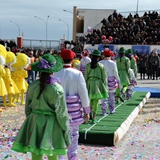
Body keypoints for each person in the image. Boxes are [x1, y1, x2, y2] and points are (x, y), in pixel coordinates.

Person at [11, 53, 71, 160]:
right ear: (53, 71)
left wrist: (32, 119)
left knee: (36, 153)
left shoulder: (32, 86)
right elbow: (62, 114)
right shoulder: (57, 89)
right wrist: (66, 133)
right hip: (52, 124)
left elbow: (28, 109)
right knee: (52, 155)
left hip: (35, 120)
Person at [53, 49, 90, 160]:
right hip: (73, 111)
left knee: (58, 135)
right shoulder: (77, 73)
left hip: (57, 110)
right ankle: (72, 157)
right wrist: (87, 111)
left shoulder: (54, 72)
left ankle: (60, 157)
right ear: (73, 59)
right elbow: (83, 93)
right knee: (74, 135)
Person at [85, 50, 108, 123]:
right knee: (96, 101)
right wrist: (104, 86)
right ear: (98, 58)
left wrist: (85, 85)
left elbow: (85, 76)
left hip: (89, 83)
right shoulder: (101, 66)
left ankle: (90, 115)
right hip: (98, 84)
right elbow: (104, 78)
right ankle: (94, 118)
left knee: (90, 100)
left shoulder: (88, 65)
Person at [99, 49, 120, 114]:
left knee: (103, 97)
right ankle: (112, 109)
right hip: (111, 81)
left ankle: (104, 111)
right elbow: (115, 73)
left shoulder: (100, 62)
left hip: (102, 80)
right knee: (111, 96)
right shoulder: (113, 63)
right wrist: (118, 81)